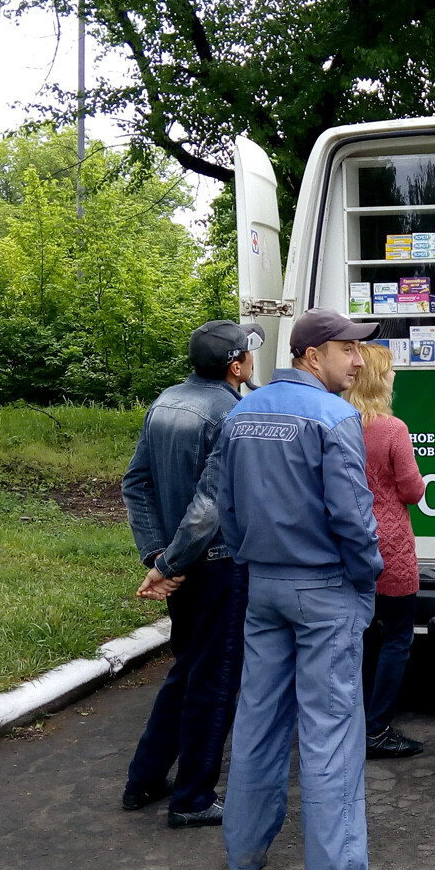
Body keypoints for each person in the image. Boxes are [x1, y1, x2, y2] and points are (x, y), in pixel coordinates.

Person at [215, 308, 411, 870]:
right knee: (330, 732)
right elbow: (353, 517)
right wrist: (367, 577)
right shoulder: (334, 417)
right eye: (348, 350)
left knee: (257, 722)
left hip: (264, 588)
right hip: (324, 588)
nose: (358, 362)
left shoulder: (242, 412)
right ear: (312, 354)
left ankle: (243, 857)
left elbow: (224, 507)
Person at [119, 320, 263, 828]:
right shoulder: (234, 413)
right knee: (215, 680)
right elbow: (211, 505)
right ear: (235, 366)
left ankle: (143, 778)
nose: (251, 363)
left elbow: (136, 483)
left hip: (181, 570)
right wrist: (170, 563)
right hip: (218, 566)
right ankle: (193, 798)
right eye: (248, 355)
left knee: (186, 671)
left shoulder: (166, 402)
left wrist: (157, 557)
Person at [344, 343, 428, 760]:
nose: (395, 376)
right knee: (397, 637)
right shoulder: (392, 429)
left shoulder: (337, 423)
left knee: (360, 637)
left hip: (348, 546)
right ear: (379, 379)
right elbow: (412, 490)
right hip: (390, 545)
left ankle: (354, 722)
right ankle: (377, 728)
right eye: (391, 370)